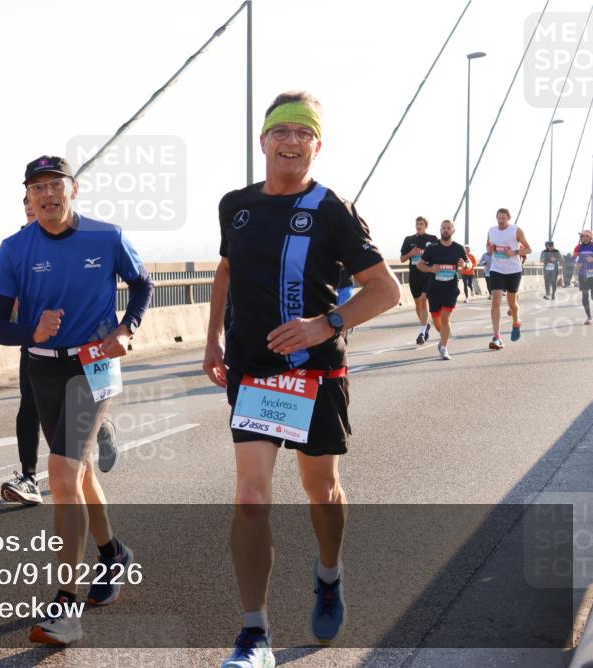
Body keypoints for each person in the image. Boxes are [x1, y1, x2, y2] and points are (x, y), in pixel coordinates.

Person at [202, 91, 400, 668]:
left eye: (302, 133)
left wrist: (325, 323)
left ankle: (329, 573)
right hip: (255, 373)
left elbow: (384, 291)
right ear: (262, 140)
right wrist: (212, 337)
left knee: (321, 491)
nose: (290, 142)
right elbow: (228, 269)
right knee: (250, 498)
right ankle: (253, 635)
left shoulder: (333, 208)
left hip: (316, 375)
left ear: (318, 143)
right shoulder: (235, 205)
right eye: (280, 131)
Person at [0, 155, 153, 645]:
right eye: (37, 188)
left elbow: (142, 285)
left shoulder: (107, 236)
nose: (47, 195)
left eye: (55, 185)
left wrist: (128, 329)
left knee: (59, 476)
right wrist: (27, 331)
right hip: (43, 366)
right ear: (29, 199)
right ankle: (114, 553)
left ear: (72, 189)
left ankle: (66, 603)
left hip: (93, 365)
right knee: (77, 475)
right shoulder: (14, 248)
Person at [0, 196, 119, 506]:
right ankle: (29, 476)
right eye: (26, 203)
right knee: (29, 406)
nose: (31, 206)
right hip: (38, 347)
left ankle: (101, 426)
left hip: (87, 349)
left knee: (75, 442)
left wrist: (125, 327)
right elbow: (1, 304)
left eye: (34, 201)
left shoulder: (84, 239)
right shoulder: (17, 247)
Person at [417, 220, 469, 360]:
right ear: (440, 230)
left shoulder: (458, 248)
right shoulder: (432, 248)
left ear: (453, 230)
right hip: (434, 288)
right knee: (437, 321)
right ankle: (443, 338)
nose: (446, 230)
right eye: (444, 228)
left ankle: (444, 349)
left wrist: (465, 265)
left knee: (445, 319)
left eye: (448, 228)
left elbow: (469, 264)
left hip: (450, 288)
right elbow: (420, 265)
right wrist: (430, 268)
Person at [486, 208, 532, 349]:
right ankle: (496, 337)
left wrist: (515, 252)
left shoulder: (516, 230)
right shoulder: (492, 230)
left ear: (508, 218)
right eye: (499, 218)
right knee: (496, 300)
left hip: (513, 270)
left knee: (512, 304)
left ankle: (516, 321)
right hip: (497, 269)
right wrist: (491, 249)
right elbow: (488, 248)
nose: (501, 220)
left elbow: (529, 249)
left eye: (503, 218)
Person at [399, 216, 439, 345]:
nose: (418, 226)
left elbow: (439, 255)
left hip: (427, 275)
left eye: (421, 223)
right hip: (414, 275)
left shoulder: (432, 239)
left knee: (423, 300)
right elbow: (402, 259)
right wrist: (411, 253)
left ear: (425, 225)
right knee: (417, 304)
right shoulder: (409, 239)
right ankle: (425, 325)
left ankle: (421, 332)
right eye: (417, 223)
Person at [575, 229, 593, 324]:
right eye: (581, 236)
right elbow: (575, 257)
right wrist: (577, 265)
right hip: (583, 275)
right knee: (585, 296)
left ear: (589, 237)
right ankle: (589, 317)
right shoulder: (578, 247)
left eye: (583, 236)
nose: (581, 238)